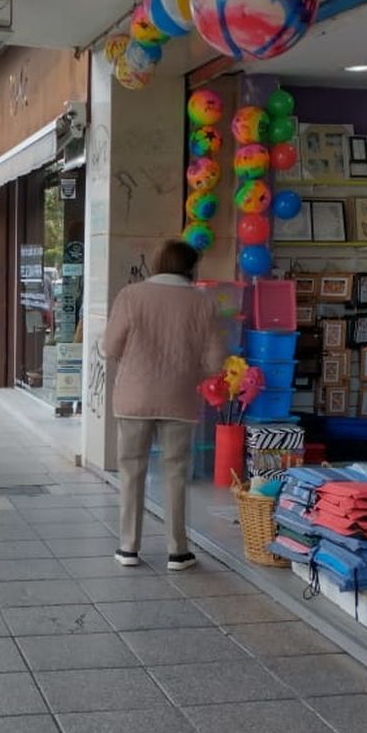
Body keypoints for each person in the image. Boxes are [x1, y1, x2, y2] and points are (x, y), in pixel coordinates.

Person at [102, 239, 226, 571]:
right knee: (175, 474)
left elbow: (110, 347)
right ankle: (177, 551)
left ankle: (128, 547)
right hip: (179, 398)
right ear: (190, 266)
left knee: (131, 471)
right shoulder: (202, 303)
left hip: (133, 397)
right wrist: (189, 369)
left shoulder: (131, 295)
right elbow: (216, 361)